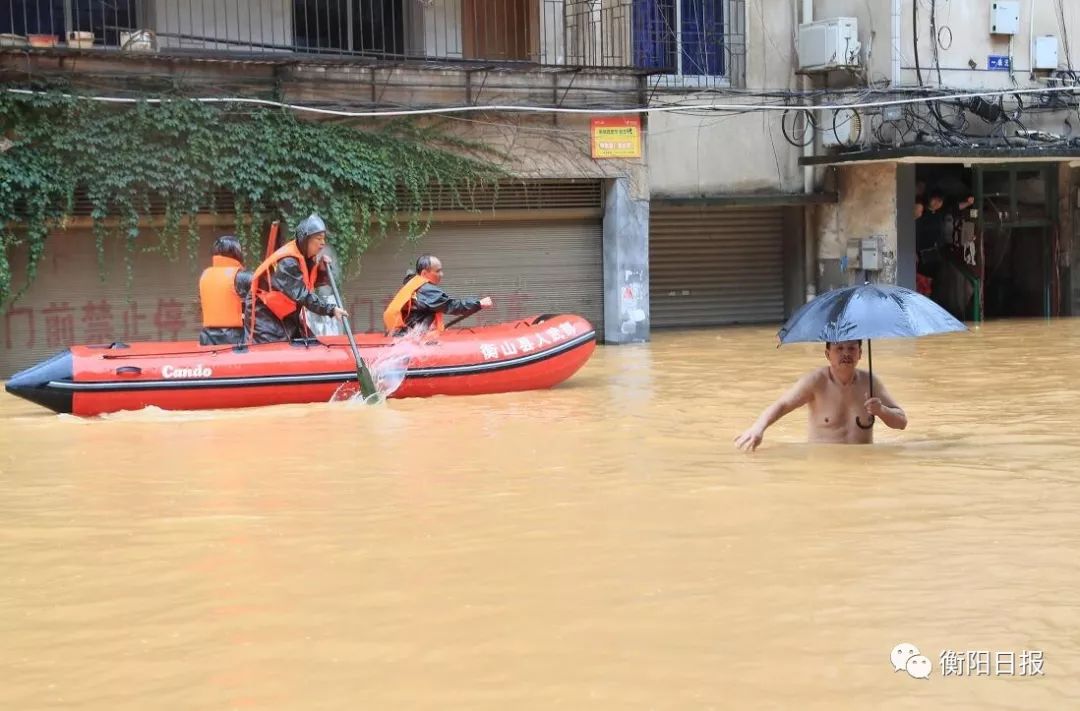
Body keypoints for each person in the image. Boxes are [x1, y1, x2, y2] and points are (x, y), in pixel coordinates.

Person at [733, 340, 907, 450]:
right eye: (839, 348)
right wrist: (758, 428)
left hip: (863, 469)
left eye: (852, 348)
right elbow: (782, 405)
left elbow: (902, 422)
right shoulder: (816, 382)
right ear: (827, 354)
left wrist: (882, 410)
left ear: (860, 353)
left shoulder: (870, 382)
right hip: (825, 466)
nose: (846, 353)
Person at [248, 213, 348, 344]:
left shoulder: (306, 259)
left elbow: (308, 282)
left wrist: (322, 270)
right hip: (267, 318)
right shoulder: (288, 262)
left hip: (286, 317)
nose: (323, 243)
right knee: (285, 353)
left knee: (311, 345)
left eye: (324, 239)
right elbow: (302, 294)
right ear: (305, 239)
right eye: (318, 238)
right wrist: (331, 309)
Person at [382, 255, 493, 336]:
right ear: (425, 273)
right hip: (408, 337)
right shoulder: (426, 290)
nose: (441, 274)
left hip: (400, 334)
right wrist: (479, 303)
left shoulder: (413, 284)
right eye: (438, 271)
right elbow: (451, 306)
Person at [198, 235, 252, 346]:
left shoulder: (205, 275)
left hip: (206, 338)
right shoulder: (241, 276)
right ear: (236, 253)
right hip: (233, 338)